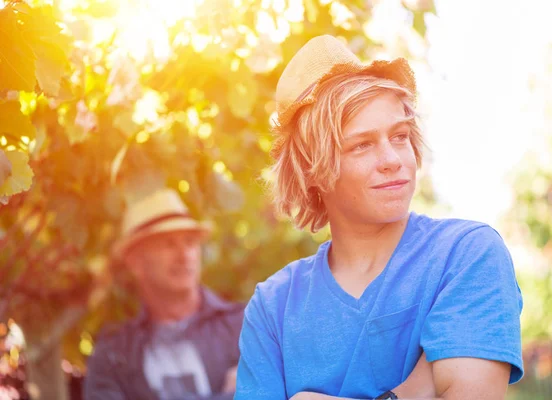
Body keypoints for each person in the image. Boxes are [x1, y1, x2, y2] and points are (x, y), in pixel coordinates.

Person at [235, 35, 524, 400]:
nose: (393, 159)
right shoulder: (273, 307)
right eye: (362, 144)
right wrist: (415, 390)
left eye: (400, 136)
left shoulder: (465, 255)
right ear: (311, 169)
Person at [84, 188, 244, 400]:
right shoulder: (113, 354)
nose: (184, 256)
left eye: (189, 242)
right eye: (168, 244)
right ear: (135, 262)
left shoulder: (246, 325)